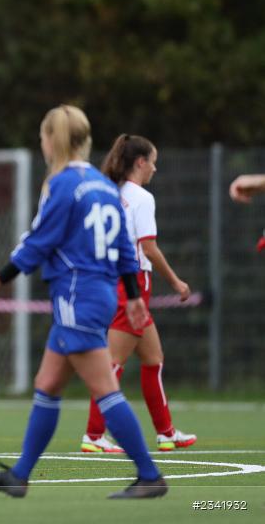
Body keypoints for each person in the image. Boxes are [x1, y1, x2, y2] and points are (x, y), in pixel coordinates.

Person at [0, 106, 167, 499]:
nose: (42, 143)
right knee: (47, 384)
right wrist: (132, 295)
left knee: (105, 388)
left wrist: (2, 277)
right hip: (95, 294)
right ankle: (20, 475)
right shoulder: (102, 185)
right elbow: (125, 250)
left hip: (77, 296)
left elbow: (40, 241)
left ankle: (150, 476)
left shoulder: (62, 184)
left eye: (44, 137)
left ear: (54, 140)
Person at [81, 134, 196, 454]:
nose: (155, 169)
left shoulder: (106, 192)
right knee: (112, 363)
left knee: (153, 359)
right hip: (133, 283)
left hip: (109, 279)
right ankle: (93, 434)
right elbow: (148, 247)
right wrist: (176, 282)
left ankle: (166, 432)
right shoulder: (141, 198)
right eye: (153, 162)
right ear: (140, 162)